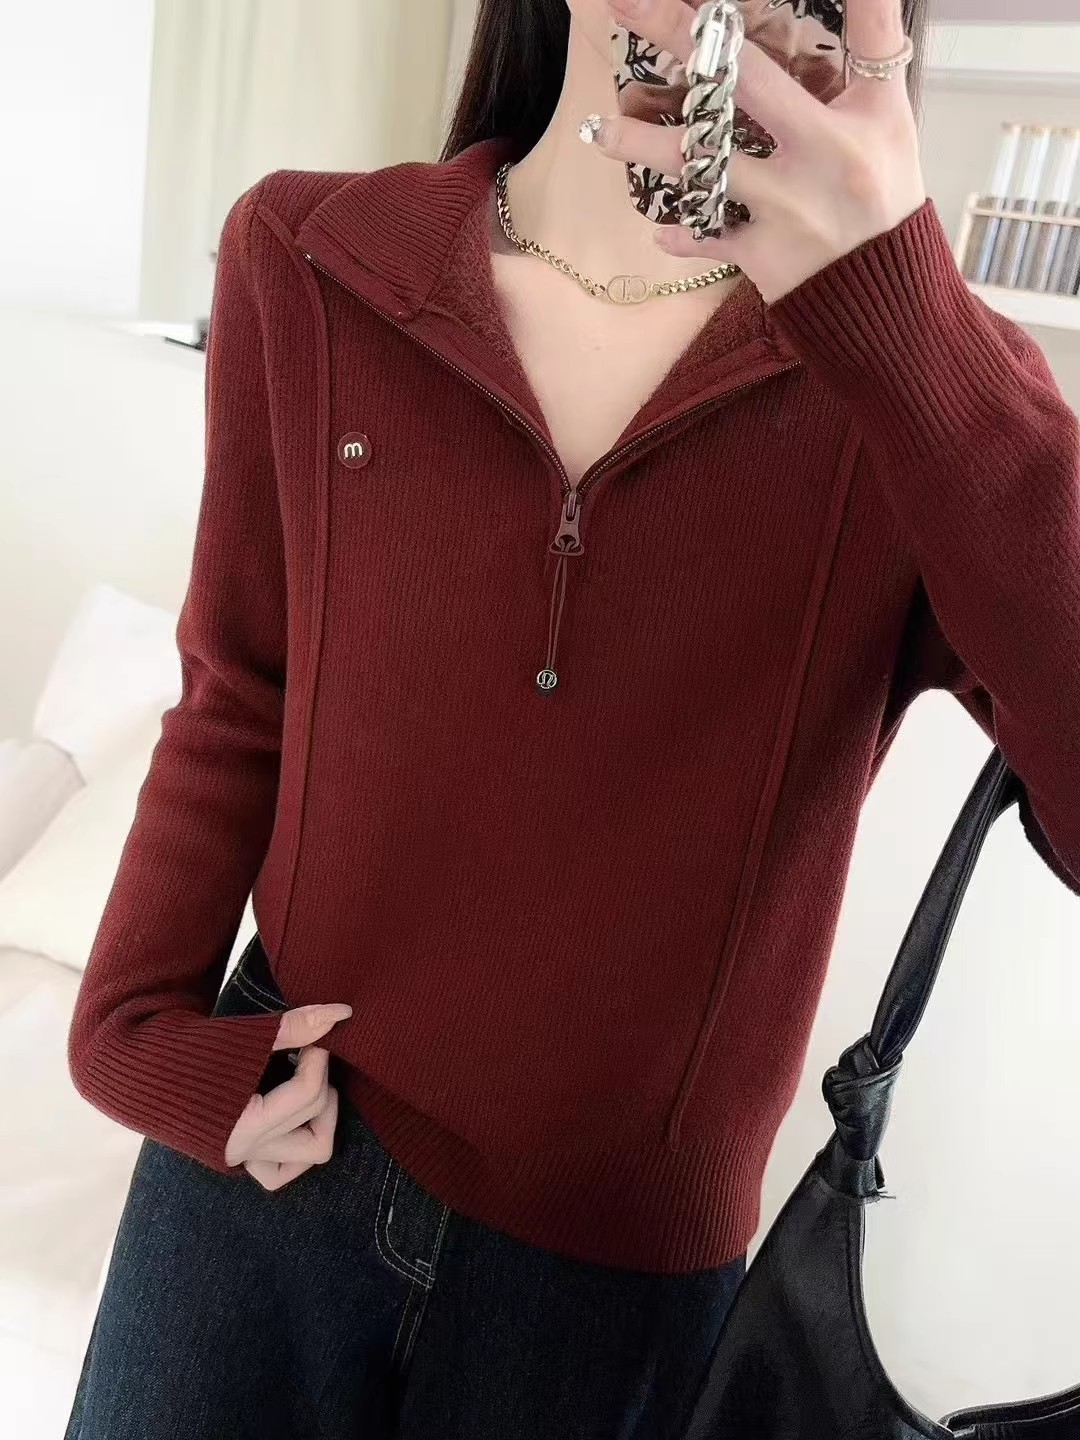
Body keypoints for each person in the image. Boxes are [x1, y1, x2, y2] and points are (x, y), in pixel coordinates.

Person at [65, 1, 1080, 1436]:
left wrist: (906, 319)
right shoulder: (310, 256)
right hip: (262, 1180)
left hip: (611, 1296)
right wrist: (126, 1029)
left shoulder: (922, 390)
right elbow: (242, 692)